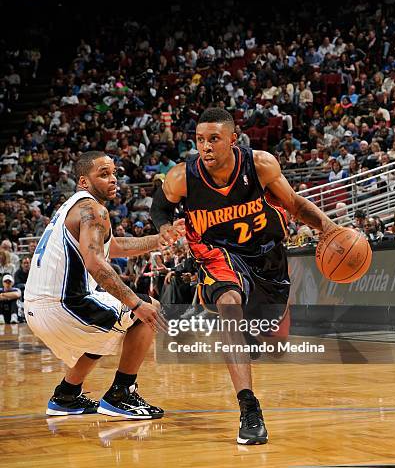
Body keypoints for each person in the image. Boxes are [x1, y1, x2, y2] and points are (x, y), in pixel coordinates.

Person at [151, 108, 338, 445]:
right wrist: (164, 226)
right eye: (199, 140)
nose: (205, 147)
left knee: (275, 345)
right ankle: (249, 407)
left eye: (213, 139)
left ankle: (251, 336)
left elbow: (294, 204)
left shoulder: (261, 165)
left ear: (233, 140)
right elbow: (159, 206)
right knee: (229, 303)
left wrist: (328, 227)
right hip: (215, 252)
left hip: (266, 255)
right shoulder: (183, 176)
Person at [24, 151, 184, 418]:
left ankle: (66, 395)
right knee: (148, 309)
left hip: (36, 309)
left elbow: (115, 247)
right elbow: (96, 263)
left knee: (105, 327)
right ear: (83, 181)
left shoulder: (72, 207)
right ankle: (121, 394)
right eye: (104, 174)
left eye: (114, 174)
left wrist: (160, 239)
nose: (113, 180)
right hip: (64, 306)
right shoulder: (92, 210)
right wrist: (136, 304)